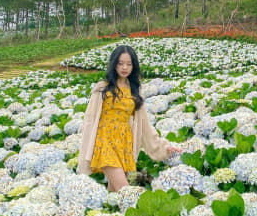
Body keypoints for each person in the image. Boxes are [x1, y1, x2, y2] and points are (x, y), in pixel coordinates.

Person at [77, 45, 182, 191]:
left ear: (134, 65)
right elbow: (89, 121)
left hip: (124, 143)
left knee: (115, 192)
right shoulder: (102, 88)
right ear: (114, 64)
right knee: (125, 190)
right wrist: (87, 150)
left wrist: (163, 147)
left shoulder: (135, 91)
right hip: (104, 142)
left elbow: (144, 125)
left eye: (129, 64)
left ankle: (110, 214)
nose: (124, 67)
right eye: (120, 63)